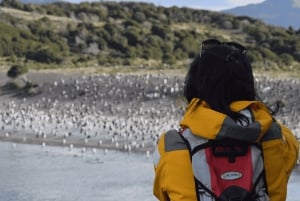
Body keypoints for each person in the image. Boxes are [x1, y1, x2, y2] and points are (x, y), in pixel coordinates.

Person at [152, 39, 299, 201]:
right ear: (248, 83)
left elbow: (163, 193)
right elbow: (286, 166)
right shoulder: (278, 137)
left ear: (196, 82)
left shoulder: (172, 144)